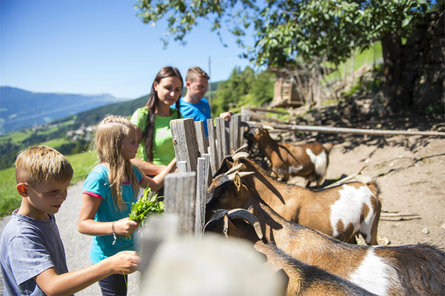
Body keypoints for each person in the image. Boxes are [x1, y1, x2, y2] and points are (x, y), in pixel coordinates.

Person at [0, 145, 140, 296]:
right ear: (24, 190)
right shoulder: (21, 236)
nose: (63, 197)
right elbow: (52, 287)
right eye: (53, 192)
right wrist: (110, 265)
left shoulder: (45, 215)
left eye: (65, 188)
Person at [77, 115, 176, 296]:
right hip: (108, 257)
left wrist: (173, 163)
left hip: (132, 247)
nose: (137, 145)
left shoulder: (131, 170)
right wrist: (116, 227)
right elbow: (83, 224)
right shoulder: (99, 178)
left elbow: (154, 185)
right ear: (116, 146)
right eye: (132, 142)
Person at [131, 66, 183, 177]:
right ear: (156, 86)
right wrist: (166, 170)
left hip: (179, 180)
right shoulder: (142, 116)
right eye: (168, 88)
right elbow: (127, 157)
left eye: (177, 89)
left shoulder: (178, 116)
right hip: (153, 181)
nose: (173, 94)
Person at [179, 66, 232, 136]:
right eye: (200, 86)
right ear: (188, 84)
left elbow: (209, 130)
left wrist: (220, 120)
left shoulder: (205, 103)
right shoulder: (176, 106)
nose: (204, 91)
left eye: (205, 87)